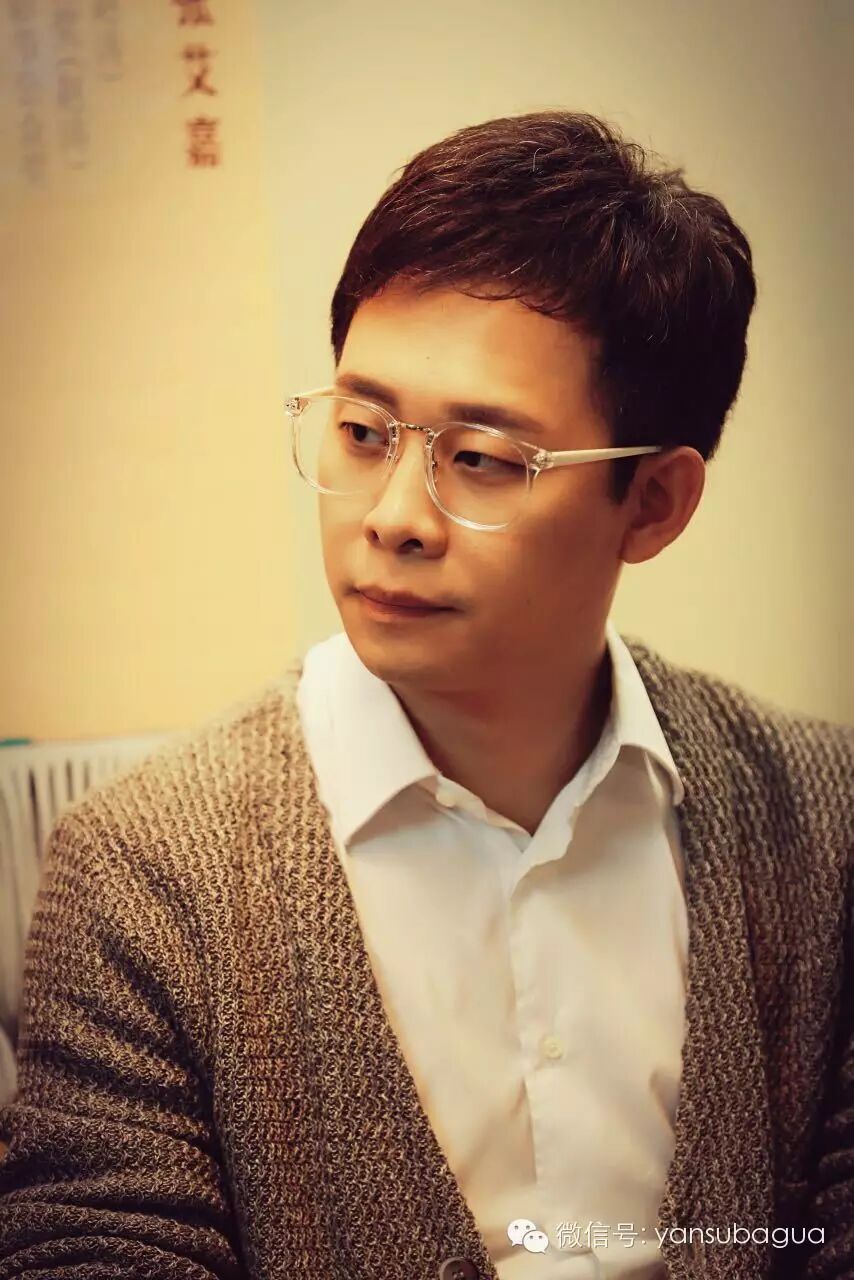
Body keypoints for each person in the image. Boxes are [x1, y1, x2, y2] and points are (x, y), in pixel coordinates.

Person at [0, 109, 850, 1280]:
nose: (393, 515)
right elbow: (94, 1247)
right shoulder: (145, 871)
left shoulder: (819, 820)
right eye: (361, 431)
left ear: (652, 502)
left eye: (481, 459)